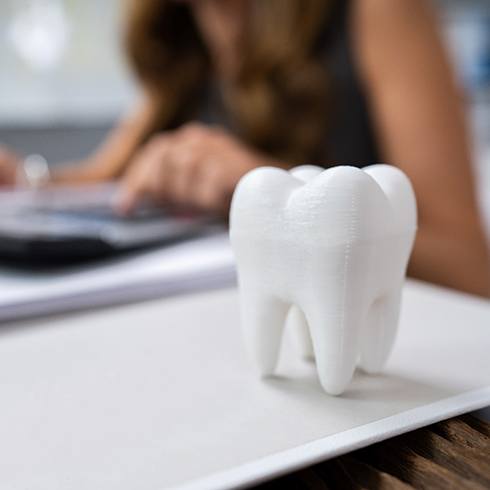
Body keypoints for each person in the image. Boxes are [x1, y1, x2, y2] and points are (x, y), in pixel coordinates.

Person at [0, 0, 488, 297]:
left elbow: (470, 271)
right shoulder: (184, 51)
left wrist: (270, 191)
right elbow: (107, 176)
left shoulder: (376, 14)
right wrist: (22, 178)